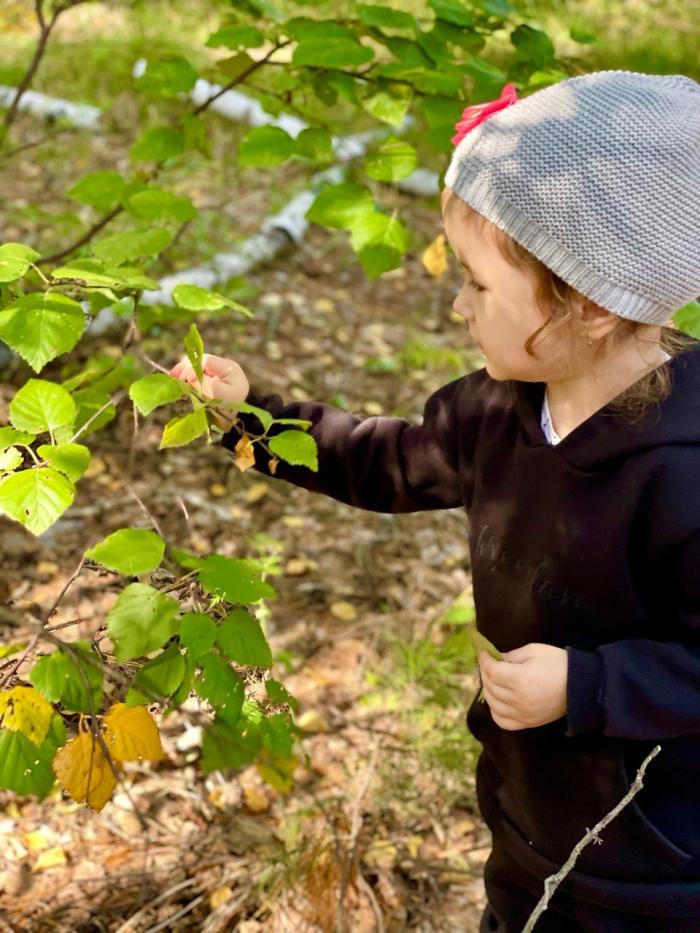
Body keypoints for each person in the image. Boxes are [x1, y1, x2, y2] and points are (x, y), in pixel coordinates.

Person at [170, 71, 700, 931]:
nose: (457, 304)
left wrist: (590, 682)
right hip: (527, 820)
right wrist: (251, 420)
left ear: (589, 304)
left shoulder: (683, 471)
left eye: (478, 284)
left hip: (658, 864)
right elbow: (386, 461)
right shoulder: (494, 411)